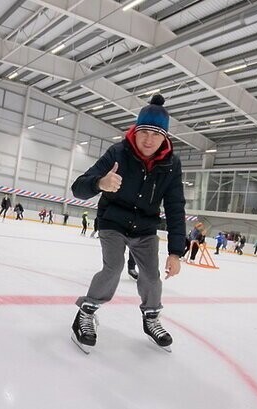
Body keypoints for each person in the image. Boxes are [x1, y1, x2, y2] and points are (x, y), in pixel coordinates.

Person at [69, 94, 185, 353]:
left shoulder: (171, 164)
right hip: (113, 221)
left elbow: (175, 207)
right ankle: (86, 312)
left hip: (145, 228)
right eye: (143, 131)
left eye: (156, 134)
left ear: (164, 137)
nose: (148, 139)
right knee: (114, 267)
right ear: (135, 129)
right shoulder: (118, 152)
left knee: (152, 277)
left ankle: (152, 318)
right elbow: (78, 188)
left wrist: (176, 252)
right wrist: (100, 183)